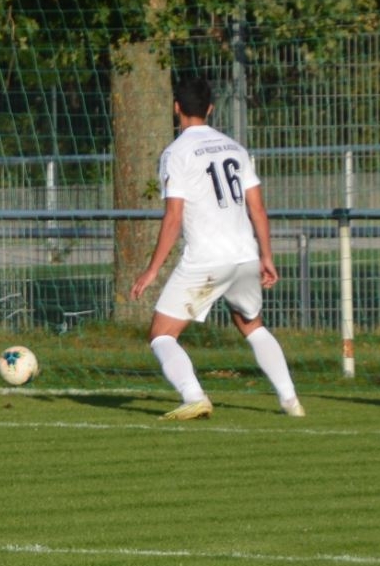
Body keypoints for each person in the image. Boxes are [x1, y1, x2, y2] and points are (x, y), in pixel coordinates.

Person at [129, 78, 303, 420]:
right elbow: (257, 209)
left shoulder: (176, 153)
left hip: (207, 260)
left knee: (162, 334)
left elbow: (174, 217)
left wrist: (152, 270)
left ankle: (194, 396)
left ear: (176, 108)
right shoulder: (234, 148)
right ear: (210, 108)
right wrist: (266, 256)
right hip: (245, 255)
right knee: (251, 324)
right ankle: (290, 400)